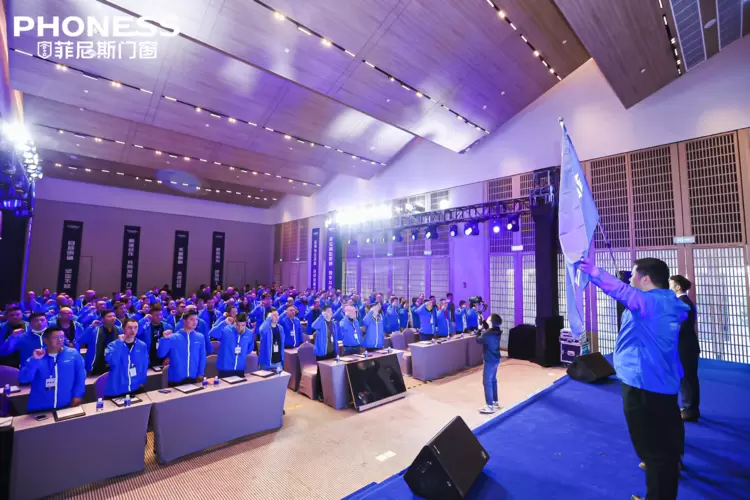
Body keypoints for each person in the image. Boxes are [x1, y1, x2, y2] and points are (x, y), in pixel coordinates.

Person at [580, 257, 687, 500]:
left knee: (653, 453)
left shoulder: (651, 303)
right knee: (663, 451)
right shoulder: (668, 302)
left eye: (634, 275)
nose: (630, 280)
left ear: (646, 279)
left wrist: (595, 272)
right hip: (662, 384)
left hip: (643, 385)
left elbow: (622, 291)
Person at [18, 326, 86, 413]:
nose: (60, 340)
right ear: (46, 340)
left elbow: (80, 376)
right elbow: (24, 379)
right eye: (56, 337)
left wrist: (77, 395)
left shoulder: (73, 354)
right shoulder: (37, 356)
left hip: (66, 404)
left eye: (62, 337)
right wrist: (35, 361)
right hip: (40, 407)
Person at [669, 275, 700, 422]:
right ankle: (689, 407)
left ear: (678, 287)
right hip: (684, 345)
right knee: (686, 377)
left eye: (671, 284)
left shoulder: (683, 303)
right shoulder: (683, 301)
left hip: (685, 346)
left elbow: (681, 327)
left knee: (687, 378)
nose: (669, 286)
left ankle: (690, 410)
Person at [158, 310, 207, 385]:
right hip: (176, 378)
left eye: (196, 319)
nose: (195, 322)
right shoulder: (173, 337)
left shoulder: (200, 337)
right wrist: (165, 340)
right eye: (191, 319)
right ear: (184, 321)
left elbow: (202, 357)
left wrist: (201, 373)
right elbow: (161, 354)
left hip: (194, 377)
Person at [104, 318, 149, 397]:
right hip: (117, 389)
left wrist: (142, 381)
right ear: (123, 329)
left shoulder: (142, 345)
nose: (133, 330)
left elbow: (144, 365)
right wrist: (119, 344)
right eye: (130, 327)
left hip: (135, 387)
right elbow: (112, 361)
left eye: (135, 327)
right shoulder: (113, 345)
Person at [209, 312, 254, 377]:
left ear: (246, 323)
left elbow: (250, 348)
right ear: (234, 322)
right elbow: (212, 333)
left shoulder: (249, 333)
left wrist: (241, 356)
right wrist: (224, 323)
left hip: (240, 368)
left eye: (243, 325)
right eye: (237, 325)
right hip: (225, 368)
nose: (240, 328)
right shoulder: (226, 329)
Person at [78, 310, 122, 374]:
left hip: (113, 363)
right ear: (102, 319)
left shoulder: (120, 330)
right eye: (109, 316)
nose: (113, 318)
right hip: (96, 364)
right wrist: (91, 327)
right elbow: (80, 340)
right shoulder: (94, 330)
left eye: (114, 316)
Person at [476, 314, 502, 414]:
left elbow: (478, 339)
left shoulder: (487, 334)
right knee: (493, 380)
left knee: (487, 382)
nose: (487, 318)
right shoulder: (497, 331)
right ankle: (495, 402)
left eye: (489, 318)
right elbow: (488, 329)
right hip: (496, 359)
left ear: (491, 322)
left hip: (489, 360)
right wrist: (483, 321)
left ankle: (489, 406)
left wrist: (479, 329)